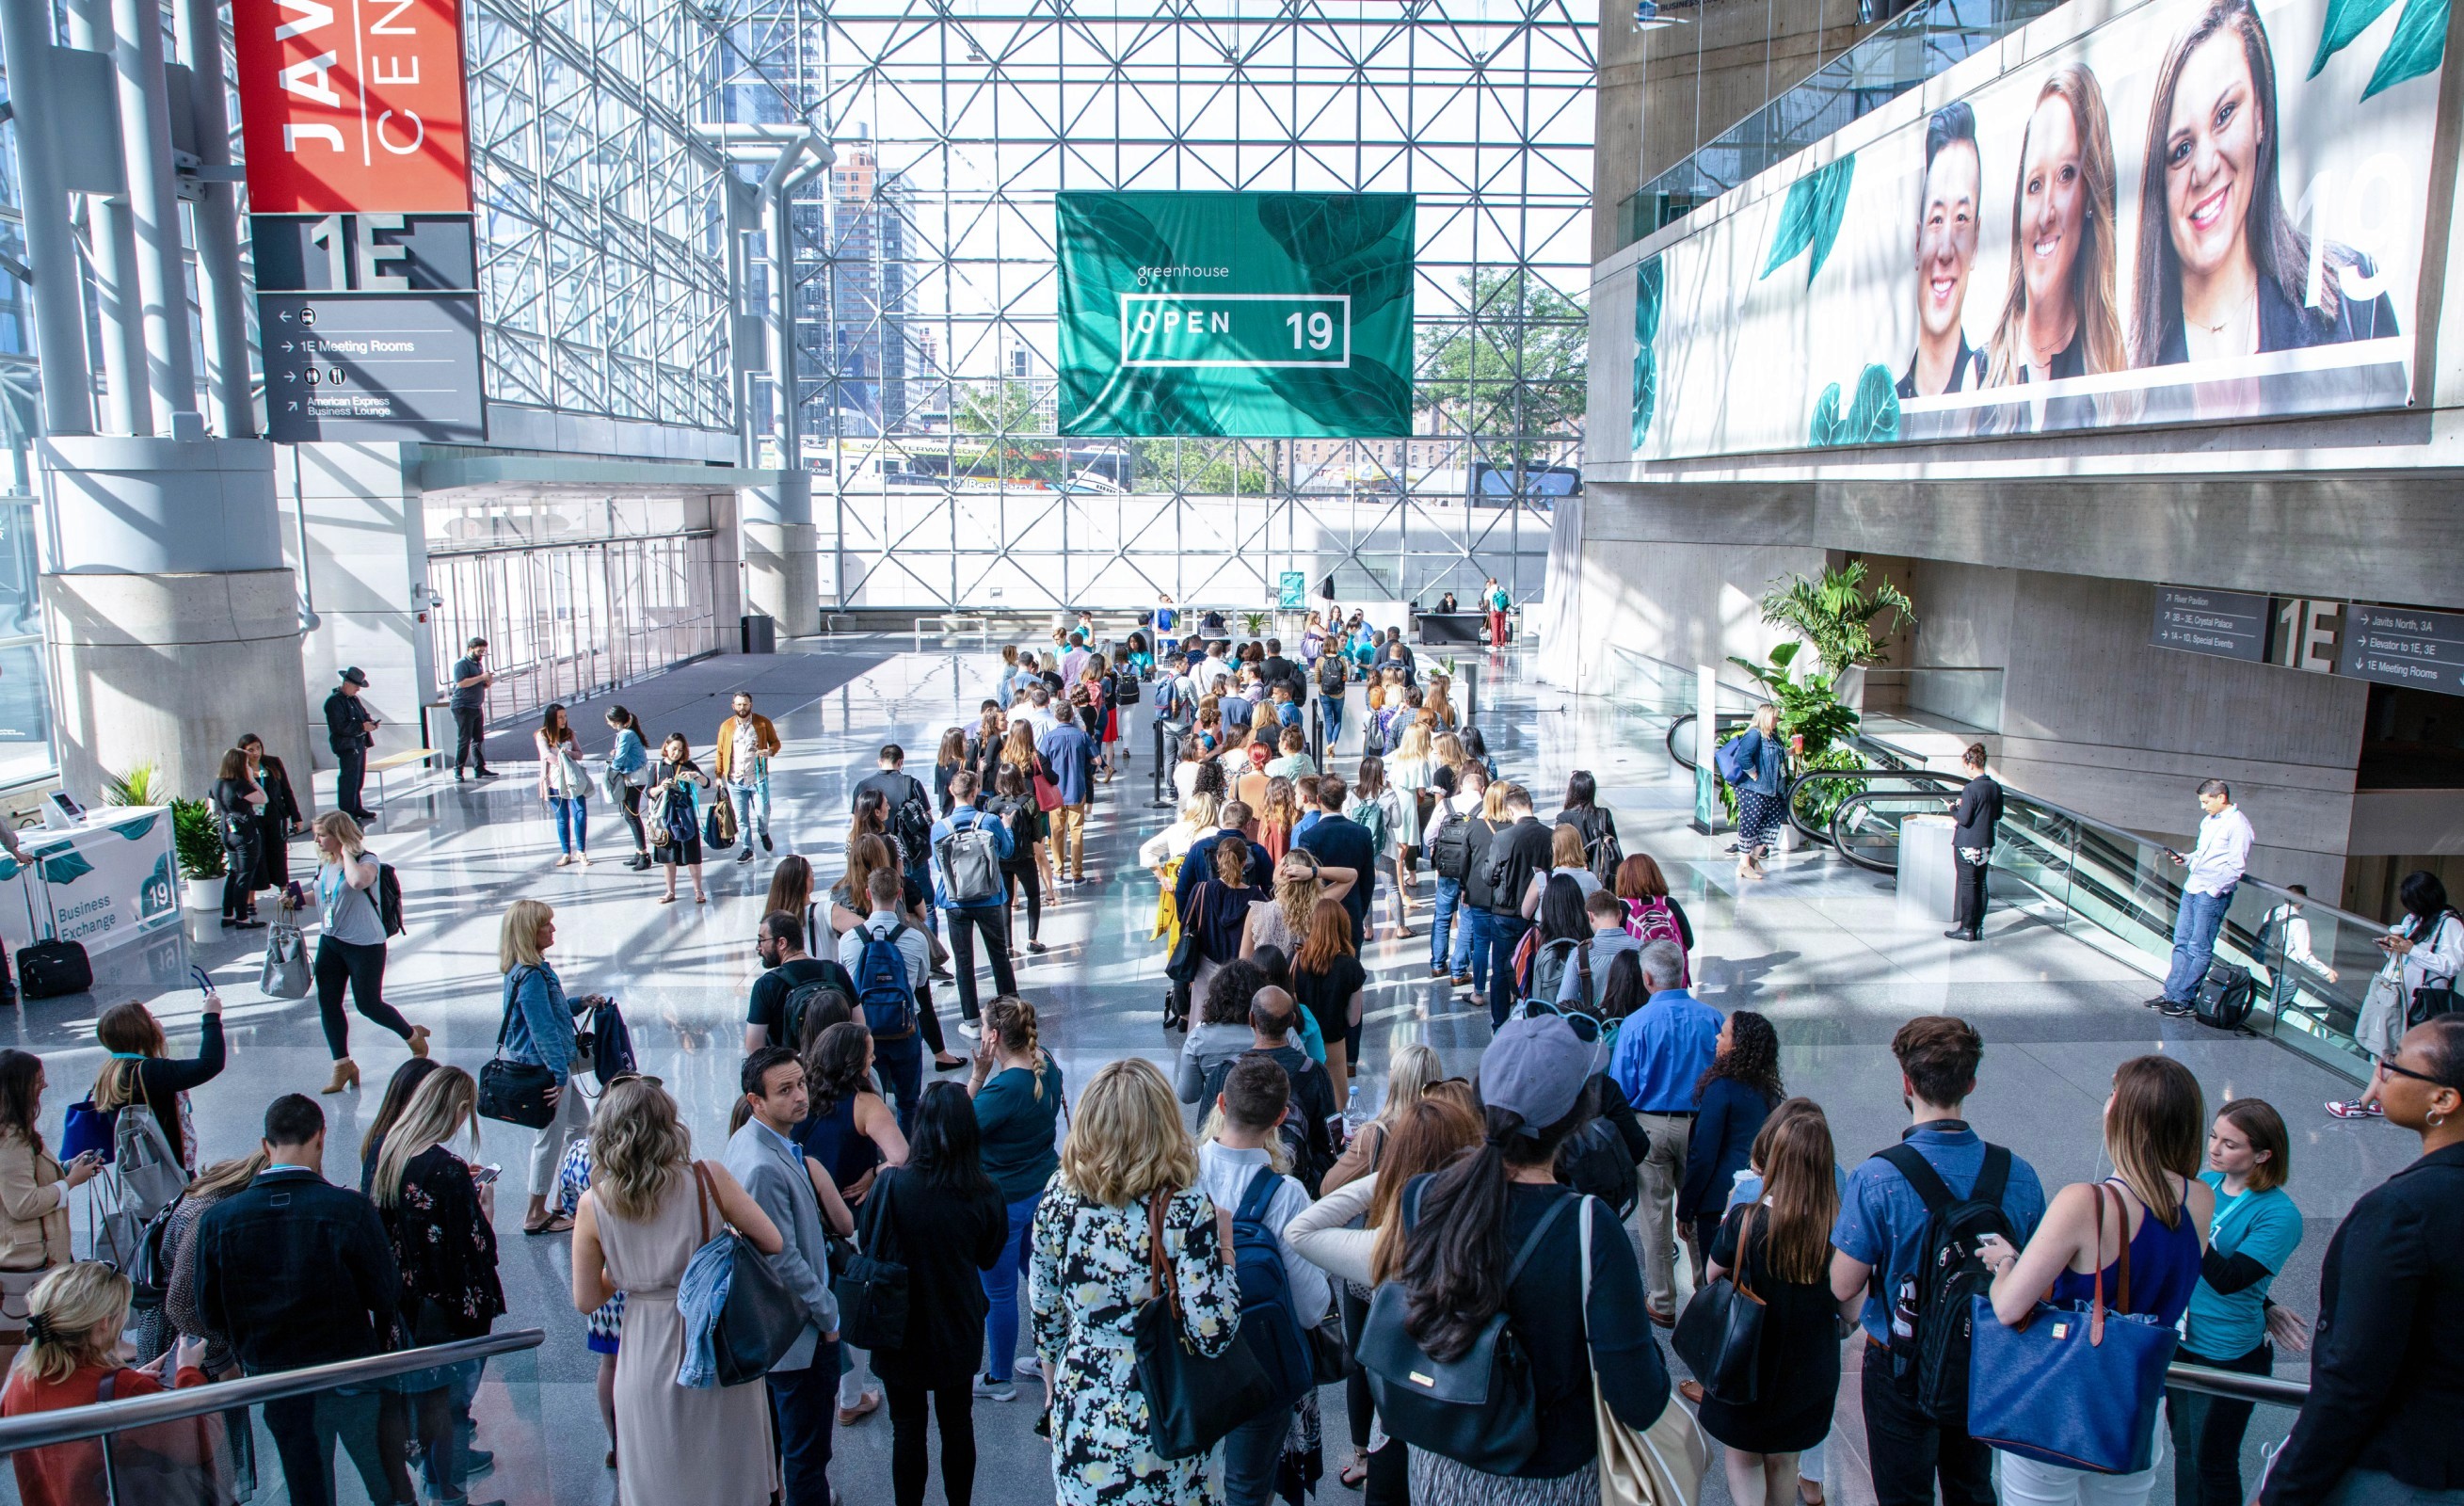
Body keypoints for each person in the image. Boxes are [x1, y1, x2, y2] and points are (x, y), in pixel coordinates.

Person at [1389, 1016, 1668, 1499]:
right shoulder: (1589, 1228)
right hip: (1545, 1477)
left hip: (1441, 1462)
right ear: (1579, 1117)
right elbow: (1638, 1401)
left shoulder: (1422, 1195)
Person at [1830, 1016, 2048, 1506]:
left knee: (1903, 1491)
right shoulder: (2018, 1175)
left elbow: (1843, 1285)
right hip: (1985, 1358)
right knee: (1971, 1484)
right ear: (1971, 1083)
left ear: (1906, 1083)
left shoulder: (1878, 1176)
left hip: (1900, 1363)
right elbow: (2044, 1278)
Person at [1978, 1055, 2210, 1506]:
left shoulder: (2085, 1203)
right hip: (2136, 1405)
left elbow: (2009, 1307)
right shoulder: (2199, 1198)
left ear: (2123, 1116)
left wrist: (2007, 1261)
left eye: (2112, 1093)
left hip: (2060, 1402)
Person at [2131, 0, 2399, 376]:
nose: (2204, 168)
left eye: (2225, 115)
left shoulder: (2353, 298)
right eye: (2182, 149)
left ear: (2260, 115)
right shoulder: (2130, 369)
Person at [2261, 1017, 2464, 1506]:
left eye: (2394, 1064)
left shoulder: (2402, 1212)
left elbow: (2352, 1377)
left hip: (2401, 1471)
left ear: (2443, 1100)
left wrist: (2283, 1492)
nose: (2381, 1073)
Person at [1030, 1057, 1241, 1506]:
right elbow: (1213, 1333)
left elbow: (1046, 1314)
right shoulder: (1186, 1208)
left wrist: (1053, 1394)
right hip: (1164, 1416)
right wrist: (1226, 1250)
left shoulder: (1057, 1195)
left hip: (1082, 1405)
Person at [570, 1077, 782, 1506]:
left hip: (645, 1349)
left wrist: (625, 1272)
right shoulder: (708, 1179)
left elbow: (587, 1299)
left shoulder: (593, 1205)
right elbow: (772, 1241)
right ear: (670, 1125)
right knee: (728, 1474)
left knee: (660, 1476)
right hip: (714, 1336)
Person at [191, 1094, 402, 1506]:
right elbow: (385, 1294)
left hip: (274, 1376)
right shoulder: (349, 1209)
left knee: (307, 1485)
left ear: (265, 1145)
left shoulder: (219, 1219)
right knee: (384, 1476)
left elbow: (208, 1312)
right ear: (320, 1138)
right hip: (351, 1369)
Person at [367, 1067, 504, 1506]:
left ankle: (435, 1484)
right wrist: (484, 1206)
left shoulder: (387, 1153)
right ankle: (450, 1495)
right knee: (454, 1407)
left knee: (429, 1403)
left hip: (406, 1306)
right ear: (457, 1109)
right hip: (452, 1311)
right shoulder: (447, 1169)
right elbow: (478, 1249)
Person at [865, 1081, 1006, 1506]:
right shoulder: (983, 1191)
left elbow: (868, 1239)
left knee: (906, 1427)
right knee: (957, 1423)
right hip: (955, 1323)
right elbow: (988, 1257)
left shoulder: (891, 1185)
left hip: (898, 1325)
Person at [1204, 1056, 1335, 1506]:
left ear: (1221, 1103)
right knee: (1246, 1485)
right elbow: (1311, 1308)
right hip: (1260, 1369)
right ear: (1281, 1117)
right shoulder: (1286, 1196)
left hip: (1194, 1358)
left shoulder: (1182, 1173)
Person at [725, 1047, 853, 1506]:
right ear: (755, 1101)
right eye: (785, 1090)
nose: (801, 1096)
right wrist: (829, 1312)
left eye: (801, 1083)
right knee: (807, 1455)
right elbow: (782, 1257)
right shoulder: (761, 1165)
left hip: (778, 1329)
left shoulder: (754, 1141)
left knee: (781, 1442)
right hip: (797, 1335)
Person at [1699, 1102, 1843, 1506]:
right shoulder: (1836, 1230)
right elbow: (1850, 1310)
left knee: (1744, 1458)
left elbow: (1712, 1277)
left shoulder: (1746, 1220)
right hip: (1809, 1369)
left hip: (1749, 1360)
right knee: (1785, 1462)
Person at [1977, 67, 2130, 435]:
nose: (2045, 213)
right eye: (2034, 185)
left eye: (2065, 176)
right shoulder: (1981, 373)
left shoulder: (2114, 374)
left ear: (2091, 195)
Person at [2168, 1098, 2304, 1506]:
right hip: (2181, 1339)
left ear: (2263, 1154)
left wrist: (2193, 1225)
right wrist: (2267, 1304)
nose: (2214, 1148)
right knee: (2186, 1450)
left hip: (2226, 1354)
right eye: (2214, 1136)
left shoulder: (2279, 1214)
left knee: (2214, 1461)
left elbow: (2230, 1279)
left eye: (2231, 1144)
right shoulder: (2205, 1183)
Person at [1, 1263, 211, 1506]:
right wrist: (188, 1372)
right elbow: (195, 1445)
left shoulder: (21, 1381)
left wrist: (121, 1381)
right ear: (103, 1323)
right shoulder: (123, 1387)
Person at [1604, 940, 1724, 1320]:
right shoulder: (1713, 1019)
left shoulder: (1635, 1024)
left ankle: (1661, 1301)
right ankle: (1706, 1295)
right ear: (1683, 972)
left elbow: (1619, 1086)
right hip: (1701, 1128)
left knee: (1655, 1216)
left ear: (1648, 978)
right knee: (1701, 1211)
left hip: (1650, 1128)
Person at [966, 997, 1063, 1402]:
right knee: (1043, 1278)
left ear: (993, 1037)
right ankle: (1050, 1356)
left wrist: (977, 1076)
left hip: (1003, 1202)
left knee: (999, 1292)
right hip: (1043, 1187)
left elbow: (954, 1127)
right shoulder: (1048, 1066)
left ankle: (1000, 1377)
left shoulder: (1004, 1088)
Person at [311, 811, 427, 1095]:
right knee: (328, 1002)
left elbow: (357, 883)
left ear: (340, 835)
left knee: (368, 1004)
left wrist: (348, 852)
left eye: (323, 835)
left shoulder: (367, 861)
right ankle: (342, 1063)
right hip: (331, 940)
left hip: (365, 944)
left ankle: (412, 1035)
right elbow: (326, 892)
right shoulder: (327, 862)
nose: (317, 840)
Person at [2339, 870, 2462, 1118]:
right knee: (2390, 1050)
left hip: (2424, 1001)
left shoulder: (2450, 924)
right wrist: (2391, 948)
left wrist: (2412, 950)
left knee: (2395, 1051)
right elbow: (2405, 959)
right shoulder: (2414, 919)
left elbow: (2453, 965)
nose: (2411, 909)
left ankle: (2366, 1102)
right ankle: (2375, 1102)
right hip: (2399, 995)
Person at [0, 1052, 95, 1375]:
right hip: (25, 1270)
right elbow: (22, 1204)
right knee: (13, 1352)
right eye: (39, 1081)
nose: (46, 1085)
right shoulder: (10, 1139)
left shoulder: (14, 1131)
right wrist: (70, 1182)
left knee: (50, 1352)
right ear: (20, 1086)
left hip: (31, 1265)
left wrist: (67, 1170)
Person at [497, 900, 587, 1234]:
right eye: (545, 925)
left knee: (581, 1124)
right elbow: (542, 1029)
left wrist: (580, 1003)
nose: (552, 929)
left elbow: (552, 1011)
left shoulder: (526, 969)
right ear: (527, 932)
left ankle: (562, 1197)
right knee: (549, 1137)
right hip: (547, 1071)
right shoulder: (532, 975)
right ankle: (535, 1212)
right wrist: (560, 1076)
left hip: (549, 1067)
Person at [1203, 985, 1338, 1194]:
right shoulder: (1315, 1073)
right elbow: (1331, 1143)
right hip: (1296, 1186)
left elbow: (1204, 1134)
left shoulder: (1226, 1072)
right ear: (1292, 1021)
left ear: (1251, 1019)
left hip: (1228, 1188)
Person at [1679, 1011, 1784, 1265]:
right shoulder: (1769, 1093)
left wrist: (1685, 1208)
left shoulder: (1720, 1089)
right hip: (1761, 1197)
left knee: (1717, 1283)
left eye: (1723, 1034)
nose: (1717, 1037)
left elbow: (1703, 1155)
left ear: (1737, 1045)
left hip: (1719, 1203)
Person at [1899, 102, 1986, 400]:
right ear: (1917, 242)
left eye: (1961, 218)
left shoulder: (1994, 391)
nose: (1946, 251)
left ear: (1975, 244)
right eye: (1937, 220)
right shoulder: (1887, 407)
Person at [840, 866, 936, 1129]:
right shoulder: (916, 938)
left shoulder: (849, 939)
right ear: (900, 894)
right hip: (905, 1028)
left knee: (870, 1100)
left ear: (868, 895)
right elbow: (920, 982)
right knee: (909, 1102)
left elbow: (848, 986)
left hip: (865, 1033)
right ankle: (909, 1155)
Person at [89, 994, 227, 1174]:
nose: (159, 1022)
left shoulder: (111, 1070)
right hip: (168, 1169)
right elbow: (210, 1063)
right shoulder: (149, 1072)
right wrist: (211, 1017)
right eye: (153, 1018)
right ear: (143, 1030)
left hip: (141, 1168)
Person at [2154, 778, 2254, 1016]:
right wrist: (2186, 859)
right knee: (2182, 941)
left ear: (2221, 797)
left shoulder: (2239, 825)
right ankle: (2172, 993)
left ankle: (2185, 1000)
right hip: (2193, 887)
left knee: (2199, 947)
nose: (2202, 806)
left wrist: (2214, 890)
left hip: (2211, 893)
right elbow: (2203, 854)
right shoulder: (2209, 821)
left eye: (2206, 801)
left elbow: (2236, 868)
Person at [930, 770, 1018, 1031]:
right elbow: (1006, 851)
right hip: (989, 898)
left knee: (963, 960)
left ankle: (970, 1020)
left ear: (950, 791)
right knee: (998, 955)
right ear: (975, 791)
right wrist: (1007, 828)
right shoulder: (989, 821)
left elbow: (939, 864)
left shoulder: (939, 828)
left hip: (955, 902)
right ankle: (1010, 1011)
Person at [1176, 820, 1270, 1030]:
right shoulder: (1256, 896)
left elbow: (1187, 924)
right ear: (1245, 862)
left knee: (1201, 1021)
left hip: (1205, 966)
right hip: (1242, 972)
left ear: (1217, 860)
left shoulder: (1201, 890)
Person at [1480, 783, 1555, 1028]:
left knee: (1501, 971)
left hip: (1505, 913)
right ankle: (1533, 1020)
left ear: (1510, 811)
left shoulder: (1503, 837)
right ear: (1531, 806)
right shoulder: (1550, 836)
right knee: (1536, 968)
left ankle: (1500, 1025)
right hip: (1539, 916)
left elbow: (1490, 875)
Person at [744, 910, 857, 1054]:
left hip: (794, 1073)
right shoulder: (836, 971)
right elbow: (859, 1023)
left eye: (761, 940)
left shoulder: (766, 985)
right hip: (838, 1067)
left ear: (782, 943)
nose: (758, 947)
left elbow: (754, 1046)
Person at [1294, 895, 1368, 1101]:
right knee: (1338, 1101)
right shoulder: (1352, 967)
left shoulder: (1296, 961)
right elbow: (1353, 1019)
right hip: (1334, 1043)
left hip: (1303, 1042)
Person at [854, 743, 940, 919]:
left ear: (880, 762)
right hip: (910, 856)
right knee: (926, 904)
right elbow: (928, 819)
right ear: (901, 762)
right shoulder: (911, 784)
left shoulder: (862, 787)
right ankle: (928, 943)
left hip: (869, 856)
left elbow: (854, 823)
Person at [1300, 772, 1378, 953]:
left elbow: (1308, 885)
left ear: (1318, 799)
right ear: (1343, 799)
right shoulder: (1363, 833)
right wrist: (1359, 912)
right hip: (1352, 915)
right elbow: (1368, 882)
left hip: (1321, 920)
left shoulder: (1309, 837)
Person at [712, 691, 781, 860]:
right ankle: (747, 848)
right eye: (739, 704)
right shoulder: (727, 727)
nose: (742, 708)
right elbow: (721, 752)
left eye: (745, 704)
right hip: (735, 780)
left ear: (751, 705)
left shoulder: (762, 723)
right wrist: (718, 775)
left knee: (763, 811)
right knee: (741, 817)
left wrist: (770, 751)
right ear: (733, 706)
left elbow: (775, 742)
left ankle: (763, 832)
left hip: (757, 778)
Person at [1945, 742, 2002, 942]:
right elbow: (1997, 815)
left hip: (1967, 843)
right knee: (1981, 884)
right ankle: (1978, 927)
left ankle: (1966, 927)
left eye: (1965, 766)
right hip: (1985, 843)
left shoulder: (1971, 789)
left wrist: (1953, 808)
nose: (1966, 770)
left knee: (1968, 885)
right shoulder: (1995, 787)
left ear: (1970, 764)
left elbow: (1964, 819)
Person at [648, 733, 712, 904]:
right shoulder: (656, 767)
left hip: (685, 816)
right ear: (666, 746)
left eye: (680, 750)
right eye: (673, 748)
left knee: (692, 854)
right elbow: (649, 792)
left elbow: (706, 783)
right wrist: (661, 788)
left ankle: (698, 891)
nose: (676, 753)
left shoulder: (687, 766)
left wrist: (695, 776)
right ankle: (670, 891)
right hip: (665, 816)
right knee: (667, 855)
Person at [1037, 708, 1096, 888]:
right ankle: (1077, 874)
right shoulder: (1082, 736)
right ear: (1072, 716)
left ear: (1056, 717)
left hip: (1055, 792)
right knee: (1076, 831)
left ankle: (1058, 872)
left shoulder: (1049, 738)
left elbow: (1041, 762)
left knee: (1056, 832)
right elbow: (1097, 760)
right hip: (1077, 789)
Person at [1727, 704, 1786, 881]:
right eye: (1775, 717)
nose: (1777, 721)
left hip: (1771, 789)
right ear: (1767, 717)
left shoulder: (1773, 737)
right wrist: (1754, 775)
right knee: (1751, 822)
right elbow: (1744, 757)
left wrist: (1789, 752)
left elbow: (1776, 758)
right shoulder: (1754, 734)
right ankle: (1744, 864)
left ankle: (1753, 860)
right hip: (1753, 789)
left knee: (1772, 819)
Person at [239, 732, 306, 889]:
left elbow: (286, 791)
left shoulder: (273, 763)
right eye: (250, 749)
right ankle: (251, 900)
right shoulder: (240, 769)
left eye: (258, 748)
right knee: (256, 857)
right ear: (242, 751)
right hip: (253, 819)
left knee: (278, 855)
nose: (256, 753)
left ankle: (285, 892)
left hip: (275, 816)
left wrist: (296, 817)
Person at [210, 747, 267, 926]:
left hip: (226, 831)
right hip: (244, 833)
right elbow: (263, 798)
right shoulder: (241, 784)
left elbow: (212, 809)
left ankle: (227, 915)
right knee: (245, 875)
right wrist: (251, 779)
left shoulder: (217, 783)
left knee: (234, 873)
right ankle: (242, 917)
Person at [2258, 883, 2340, 1007]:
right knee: (2276, 1009)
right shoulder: (2299, 923)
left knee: (2274, 1002)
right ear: (2302, 900)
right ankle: (2263, 1026)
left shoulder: (2271, 912)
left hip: (2271, 963)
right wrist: (2326, 971)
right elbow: (2304, 956)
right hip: (2288, 971)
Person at [1561, 889, 1641, 1005]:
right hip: (1635, 1022)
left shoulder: (1580, 954)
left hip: (1596, 1022)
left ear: (1590, 916)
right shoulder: (1641, 948)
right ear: (1620, 914)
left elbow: (1564, 1002)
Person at [535, 702, 592, 867]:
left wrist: (568, 755)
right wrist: (561, 760)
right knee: (562, 818)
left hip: (573, 781)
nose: (563, 720)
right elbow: (546, 755)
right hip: (555, 781)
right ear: (552, 719)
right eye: (560, 717)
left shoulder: (569, 733)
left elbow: (579, 754)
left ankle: (581, 851)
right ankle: (566, 852)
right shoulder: (542, 735)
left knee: (580, 813)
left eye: (565, 716)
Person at [325, 666, 380, 822]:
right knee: (348, 779)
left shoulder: (354, 700)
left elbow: (363, 715)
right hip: (347, 746)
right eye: (356, 686)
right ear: (347, 683)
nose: (358, 690)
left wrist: (370, 722)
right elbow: (340, 727)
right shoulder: (334, 702)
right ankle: (347, 813)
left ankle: (356, 807)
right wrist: (362, 727)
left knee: (358, 777)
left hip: (359, 743)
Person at [604, 707, 652, 869]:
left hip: (634, 778)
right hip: (634, 776)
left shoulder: (626, 734)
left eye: (609, 720)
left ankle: (644, 854)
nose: (608, 723)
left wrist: (611, 771)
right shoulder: (629, 733)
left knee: (631, 815)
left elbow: (619, 758)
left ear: (616, 721)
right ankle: (639, 852)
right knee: (630, 815)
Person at [448, 637, 496, 781]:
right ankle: (458, 770)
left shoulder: (477, 664)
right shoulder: (461, 664)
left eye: (483, 651)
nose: (481, 654)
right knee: (464, 739)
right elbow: (461, 683)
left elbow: (478, 683)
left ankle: (479, 768)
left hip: (475, 706)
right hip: (463, 707)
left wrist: (486, 682)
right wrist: (481, 677)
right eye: (479, 651)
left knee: (478, 739)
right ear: (470, 648)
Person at [763, 854, 825, 962]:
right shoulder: (825, 910)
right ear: (802, 881)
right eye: (811, 873)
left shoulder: (770, 919)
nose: (813, 877)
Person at [1482, 574, 1512, 647]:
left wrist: (1487, 610)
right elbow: (1506, 599)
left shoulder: (1488, 591)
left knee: (1494, 628)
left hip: (1493, 611)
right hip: (1502, 610)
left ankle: (1494, 644)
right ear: (1496, 582)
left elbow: (1485, 604)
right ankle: (1502, 644)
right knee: (1502, 627)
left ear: (1490, 583)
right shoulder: (1502, 589)